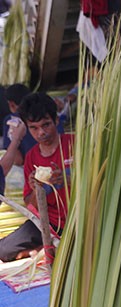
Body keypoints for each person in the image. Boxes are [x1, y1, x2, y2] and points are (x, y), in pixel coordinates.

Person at [0, 93, 73, 262]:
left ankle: (48, 248)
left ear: (56, 120)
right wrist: (36, 189)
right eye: (34, 128)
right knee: (3, 250)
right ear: (27, 128)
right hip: (48, 222)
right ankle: (46, 247)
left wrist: (68, 179)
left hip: (80, 218)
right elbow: (31, 205)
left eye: (46, 125)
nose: (41, 133)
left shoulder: (74, 144)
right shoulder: (31, 157)